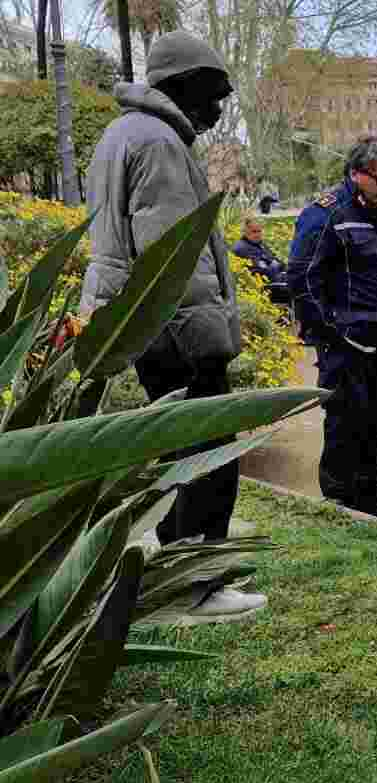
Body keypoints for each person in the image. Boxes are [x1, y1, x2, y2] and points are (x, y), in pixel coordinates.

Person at [81, 31, 262, 620]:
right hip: (178, 331)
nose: (215, 112)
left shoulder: (121, 135)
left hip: (147, 329)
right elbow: (173, 256)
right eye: (211, 97)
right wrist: (207, 339)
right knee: (207, 453)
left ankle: (180, 571)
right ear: (179, 88)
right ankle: (199, 583)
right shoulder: (158, 142)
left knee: (175, 454)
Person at [287, 136, 377, 522]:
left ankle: (368, 497)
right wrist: (331, 332)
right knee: (344, 421)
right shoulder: (327, 213)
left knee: (375, 421)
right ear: (356, 173)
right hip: (344, 343)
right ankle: (339, 501)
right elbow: (303, 278)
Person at [232, 213, 284, 283]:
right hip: (264, 286)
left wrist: (276, 265)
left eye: (259, 231)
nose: (257, 235)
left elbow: (278, 262)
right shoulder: (241, 248)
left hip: (276, 279)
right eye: (254, 232)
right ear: (245, 232)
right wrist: (274, 266)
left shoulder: (260, 245)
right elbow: (258, 271)